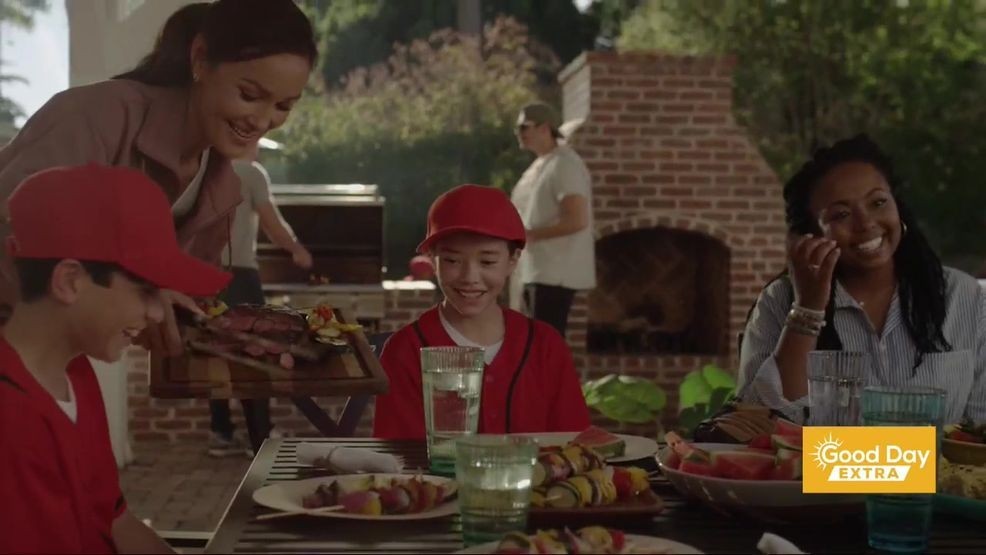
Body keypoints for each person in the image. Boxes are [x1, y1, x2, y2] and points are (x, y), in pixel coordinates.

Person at [0, 0, 317, 357]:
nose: (261, 121)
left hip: (51, 356)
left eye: (283, 106)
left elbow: (188, 297)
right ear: (200, 59)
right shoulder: (98, 116)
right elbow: (15, 225)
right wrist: (141, 290)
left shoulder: (222, 187)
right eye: (250, 95)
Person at [0, 164, 232, 553]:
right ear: (69, 281)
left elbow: (112, 520)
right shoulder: (12, 419)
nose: (158, 313)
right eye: (146, 291)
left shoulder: (75, 371)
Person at [737, 134, 986, 425]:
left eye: (878, 202)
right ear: (811, 235)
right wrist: (807, 309)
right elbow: (761, 424)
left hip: (938, 460)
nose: (865, 223)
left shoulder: (964, 296)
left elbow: (979, 429)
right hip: (819, 459)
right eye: (841, 214)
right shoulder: (779, 302)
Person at [373, 185, 592, 439]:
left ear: (513, 260)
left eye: (487, 261)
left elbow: (575, 445)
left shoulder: (546, 345)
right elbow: (396, 457)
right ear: (432, 259)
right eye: (452, 260)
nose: (470, 277)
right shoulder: (405, 350)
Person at [208, 146, 312, 456]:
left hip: (205, 277)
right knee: (257, 356)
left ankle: (221, 433)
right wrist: (297, 250)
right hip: (240, 277)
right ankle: (260, 438)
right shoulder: (251, 174)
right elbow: (272, 223)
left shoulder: (207, 171)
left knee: (218, 354)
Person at [510, 102, 596, 337]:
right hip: (537, 270)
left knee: (545, 344)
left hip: (555, 273)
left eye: (524, 127)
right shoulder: (542, 164)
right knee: (534, 343)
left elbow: (577, 219)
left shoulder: (565, 164)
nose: (519, 133)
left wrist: (529, 235)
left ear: (545, 128)